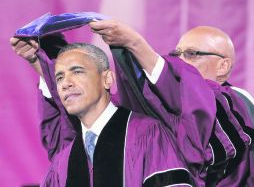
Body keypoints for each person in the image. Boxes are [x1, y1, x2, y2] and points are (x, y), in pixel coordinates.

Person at [88, 20, 254, 186]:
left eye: (191, 54)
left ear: (223, 66)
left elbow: (192, 97)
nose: (180, 61)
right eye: (176, 55)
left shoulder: (237, 101)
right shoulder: (166, 104)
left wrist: (135, 43)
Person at [11, 39, 196, 186]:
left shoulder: (147, 135)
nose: (66, 83)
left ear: (107, 79)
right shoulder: (63, 161)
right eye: (59, 78)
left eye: (77, 71)